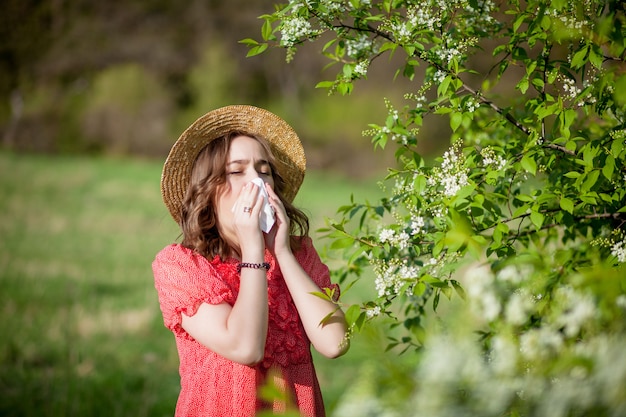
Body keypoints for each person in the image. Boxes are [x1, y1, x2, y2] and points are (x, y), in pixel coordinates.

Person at [152, 105, 349, 417]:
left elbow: (335, 342)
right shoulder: (181, 266)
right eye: (237, 170)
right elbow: (246, 348)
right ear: (209, 188)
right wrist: (254, 250)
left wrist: (282, 253)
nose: (255, 181)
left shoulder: (297, 254)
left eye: (263, 170)